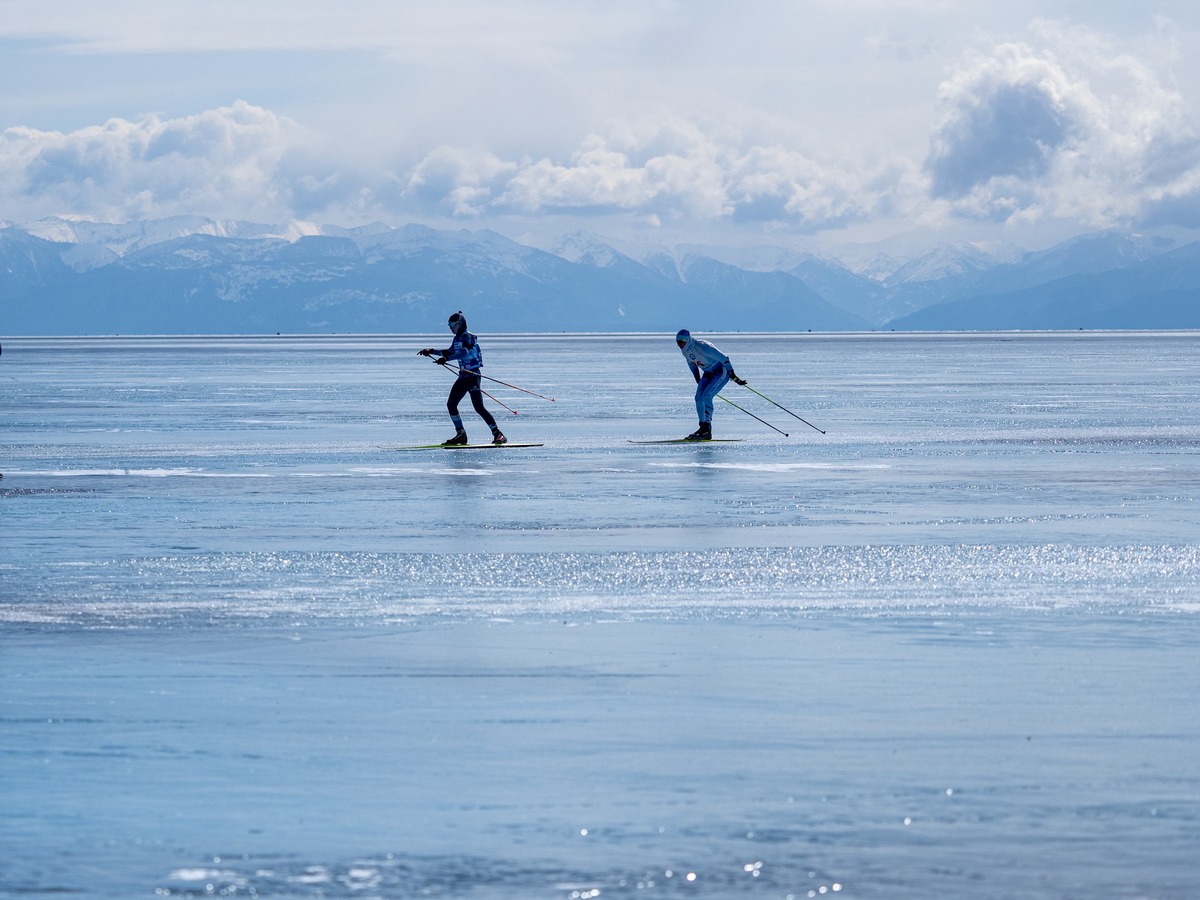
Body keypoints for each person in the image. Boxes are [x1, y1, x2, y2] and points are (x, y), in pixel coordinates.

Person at [419, 311, 507, 445]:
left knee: (478, 407)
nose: (450, 328)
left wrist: (446, 359)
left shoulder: (467, 337)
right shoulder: (457, 339)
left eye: (452, 325)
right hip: (463, 377)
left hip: (472, 376)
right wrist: (431, 351)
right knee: (451, 405)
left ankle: (498, 434)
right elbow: (449, 352)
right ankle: (461, 434)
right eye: (449, 325)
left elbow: (463, 352)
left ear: (460, 324)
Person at [675, 329, 746, 440]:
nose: (679, 344)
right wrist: (698, 380)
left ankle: (707, 430)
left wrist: (734, 376)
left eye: (681, 342)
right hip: (708, 373)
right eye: (677, 342)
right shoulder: (685, 351)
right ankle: (702, 428)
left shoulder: (703, 347)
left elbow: (724, 359)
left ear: (688, 340)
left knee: (707, 396)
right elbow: (692, 366)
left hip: (721, 371)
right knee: (698, 398)